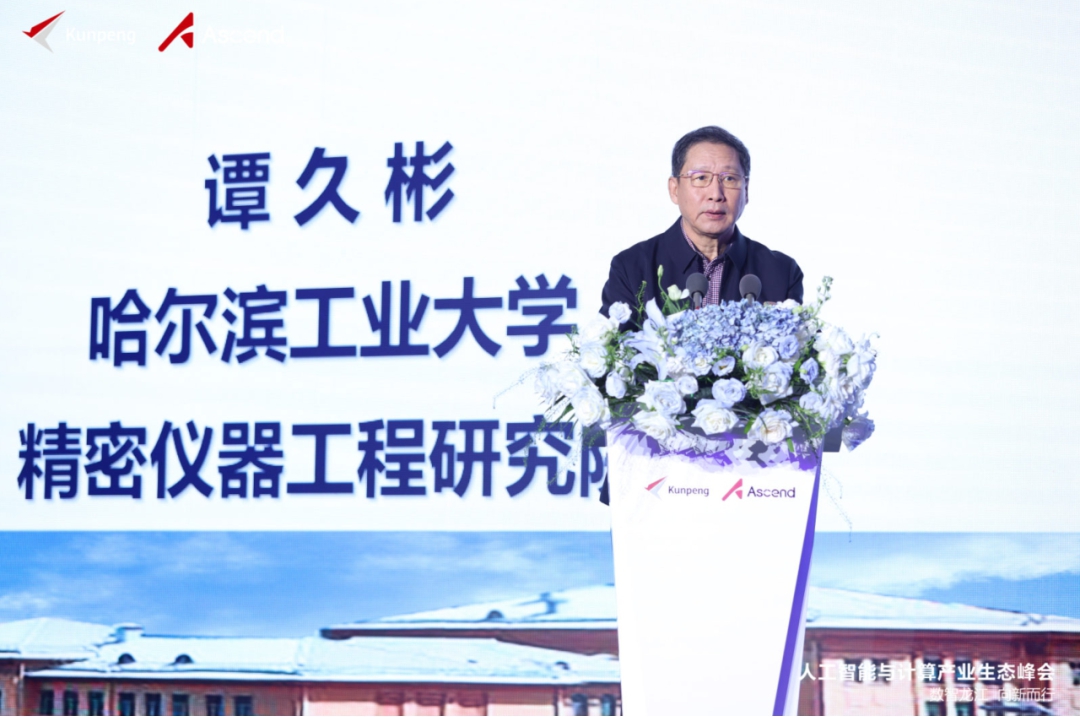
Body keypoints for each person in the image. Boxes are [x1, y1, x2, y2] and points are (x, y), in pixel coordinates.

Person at [600, 126, 803, 325]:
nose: (716, 194)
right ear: (674, 189)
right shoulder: (632, 268)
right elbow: (615, 345)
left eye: (729, 178)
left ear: (746, 190)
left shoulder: (781, 272)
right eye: (700, 178)